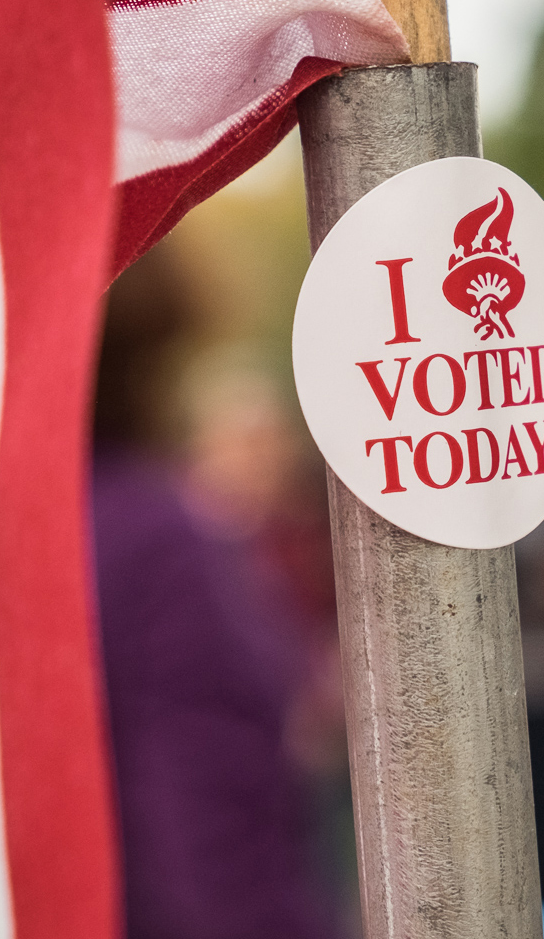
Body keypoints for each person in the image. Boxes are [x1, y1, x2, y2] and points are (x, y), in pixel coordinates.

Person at [90, 246, 345, 939]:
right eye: (243, 441)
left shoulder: (306, 527)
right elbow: (214, 866)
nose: (260, 457)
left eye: (269, 442)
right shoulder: (158, 538)